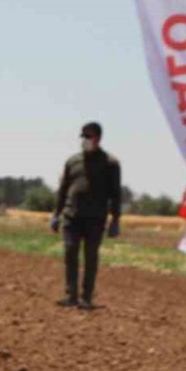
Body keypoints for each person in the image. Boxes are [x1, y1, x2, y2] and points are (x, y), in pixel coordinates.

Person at [51, 122, 122, 309]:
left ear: (98, 138)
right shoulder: (72, 161)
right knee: (70, 250)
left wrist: (115, 219)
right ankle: (71, 295)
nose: (84, 140)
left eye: (88, 136)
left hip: (95, 218)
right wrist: (56, 214)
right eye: (82, 136)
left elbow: (115, 194)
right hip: (71, 216)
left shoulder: (110, 163)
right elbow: (63, 189)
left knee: (90, 256)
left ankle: (86, 297)